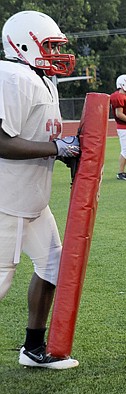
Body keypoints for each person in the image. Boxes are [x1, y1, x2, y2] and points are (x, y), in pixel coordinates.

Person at [0, 10, 80, 369]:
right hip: (6, 201)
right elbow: (3, 141)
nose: (54, 53)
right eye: (48, 46)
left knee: (53, 266)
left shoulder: (42, 80)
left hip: (31, 200)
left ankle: (32, 348)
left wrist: (66, 152)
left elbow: (40, 136)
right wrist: (57, 148)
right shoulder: (13, 76)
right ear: (22, 44)